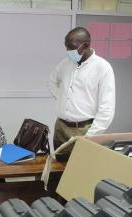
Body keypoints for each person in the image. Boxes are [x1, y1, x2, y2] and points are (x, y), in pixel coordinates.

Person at [48, 27, 115, 161]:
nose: (68, 52)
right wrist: (63, 98)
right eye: (66, 47)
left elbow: (107, 109)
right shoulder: (66, 64)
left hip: (84, 130)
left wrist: (90, 136)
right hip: (61, 128)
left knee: (81, 171)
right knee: (59, 170)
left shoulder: (102, 68)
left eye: (71, 48)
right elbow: (51, 81)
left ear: (86, 45)